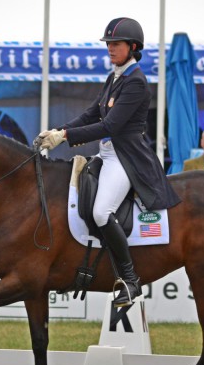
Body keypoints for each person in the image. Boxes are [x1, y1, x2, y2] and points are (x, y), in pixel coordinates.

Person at [36, 17, 181, 307]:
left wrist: (66, 136)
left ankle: (129, 280)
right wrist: (58, 130)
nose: (110, 49)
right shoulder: (115, 76)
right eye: (109, 44)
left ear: (133, 47)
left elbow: (110, 126)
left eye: (116, 44)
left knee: (102, 212)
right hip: (106, 154)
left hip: (126, 158)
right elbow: (91, 114)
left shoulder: (136, 82)